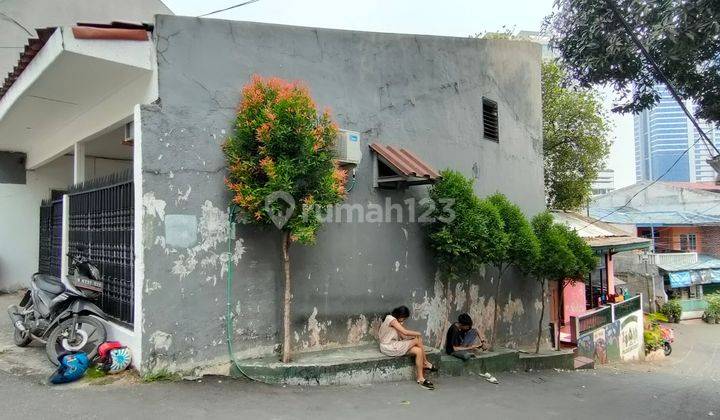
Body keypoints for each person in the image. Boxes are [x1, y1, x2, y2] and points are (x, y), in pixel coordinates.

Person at [378, 305, 436, 390]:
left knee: (418, 351)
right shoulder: (390, 319)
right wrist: (418, 333)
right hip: (388, 346)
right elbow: (405, 332)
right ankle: (426, 363)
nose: (404, 320)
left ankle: (420, 378)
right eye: (404, 318)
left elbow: (403, 337)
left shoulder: (397, 322)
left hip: (395, 345)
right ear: (400, 315)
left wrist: (411, 338)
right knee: (417, 340)